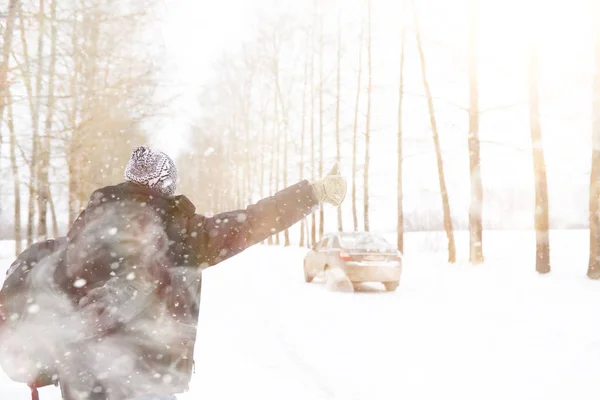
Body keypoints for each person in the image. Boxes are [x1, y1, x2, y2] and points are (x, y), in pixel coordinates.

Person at [2, 145, 346, 400]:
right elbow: (251, 222)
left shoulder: (87, 229)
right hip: (145, 375)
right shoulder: (178, 233)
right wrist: (312, 193)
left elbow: (49, 294)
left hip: (80, 373)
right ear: (166, 184)